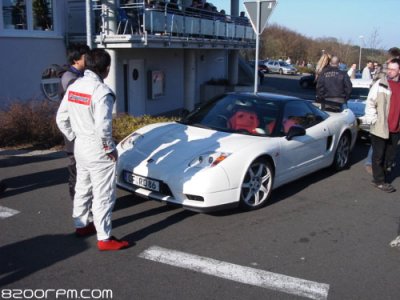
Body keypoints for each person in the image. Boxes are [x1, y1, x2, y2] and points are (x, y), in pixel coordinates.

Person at [56, 49, 129, 251]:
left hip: (80, 145)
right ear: (106, 69)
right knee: (103, 193)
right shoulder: (101, 92)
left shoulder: (75, 85)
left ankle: (81, 225)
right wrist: (109, 149)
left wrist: (73, 136)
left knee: (82, 187)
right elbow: (103, 128)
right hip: (97, 148)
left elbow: (61, 118)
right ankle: (104, 238)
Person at [363, 58, 400, 193]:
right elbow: (370, 103)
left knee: (390, 156)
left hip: (395, 128)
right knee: (378, 155)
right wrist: (373, 119)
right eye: (388, 69)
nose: (389, 72)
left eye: (392, 69)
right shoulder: (381, 84)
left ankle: (382, 175)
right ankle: (379, 181)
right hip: (380, 126)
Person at [61, 43, 90, 201]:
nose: (89, 59)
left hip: (81, 130)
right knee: (75, 168)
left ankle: (84, 202)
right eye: (87, 56)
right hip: (75, 131)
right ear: (77, 59)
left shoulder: (80, 76)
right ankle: (78, 203)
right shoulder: (70, 78)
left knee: (82, 168)